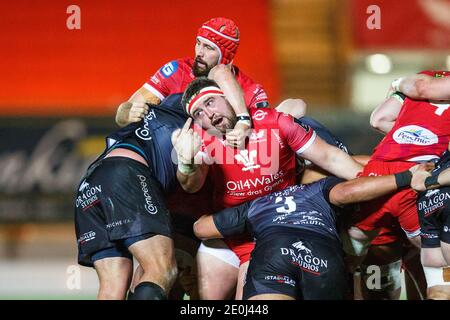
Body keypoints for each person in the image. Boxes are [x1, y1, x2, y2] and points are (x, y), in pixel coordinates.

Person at [172, 77, 364, 299]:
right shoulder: (202, 139)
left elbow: (330, 157)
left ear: (228, 98)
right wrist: (186, 162)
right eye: (198, 113)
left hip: (274, 229)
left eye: (210, 102)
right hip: (230, 232)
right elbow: (191, 185)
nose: (208, 114)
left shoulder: (273, 122)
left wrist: (371, 179)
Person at [193, 163, 431, 300]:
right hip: (321, 255)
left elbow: (201, 228)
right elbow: (348, 192)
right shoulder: (318, 188)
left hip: (273, 254)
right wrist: (406, 177)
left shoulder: (255, 204)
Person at [74, 94, 188, 300]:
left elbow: (127, 109)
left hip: (90, 183)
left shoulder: (151, 114)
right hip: (125, 174)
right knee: (162, 269)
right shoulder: (192, 123)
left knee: (112, 288)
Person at [351, 70, 450, 299]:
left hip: (379, 172)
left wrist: (398, 83)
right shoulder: (424, 83)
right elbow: (426, 89)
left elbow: (378, 119)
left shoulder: (418, 81)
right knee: (431, 263)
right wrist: (431, 146)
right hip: (421, 178)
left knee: (363, 254)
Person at [411, 148, 450, 299]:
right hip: (430, 213)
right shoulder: (438, 156)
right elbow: (377, 123)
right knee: (437, 293)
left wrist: (427, 182)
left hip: (431, 207)